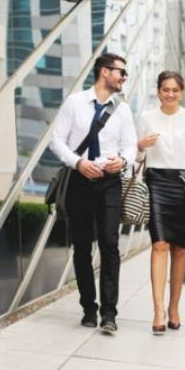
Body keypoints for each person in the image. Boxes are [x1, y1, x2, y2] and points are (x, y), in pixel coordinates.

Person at [50, 53, 137, 333]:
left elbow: (131, 145)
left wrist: (122, 161)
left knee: (110, 245)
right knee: (82, 247)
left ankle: (109, 313)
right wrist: (78, 162)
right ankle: (89, 307)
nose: (124, 77)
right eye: (120, 72)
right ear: (104, 72)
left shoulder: (122, 110)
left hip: (110, 183)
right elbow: (56, 140)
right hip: (79, 180)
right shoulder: (75, 103)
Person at [137, 70, 185, 335]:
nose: (170, 94)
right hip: (157, 182)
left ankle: (174, 307)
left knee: (179, 249)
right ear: (158, 91)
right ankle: (158, 310)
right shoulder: (146, 118)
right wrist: (139, 145)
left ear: (182, 92)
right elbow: (135, 158)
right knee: (159, 244)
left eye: (175, 90)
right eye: (165, 89)